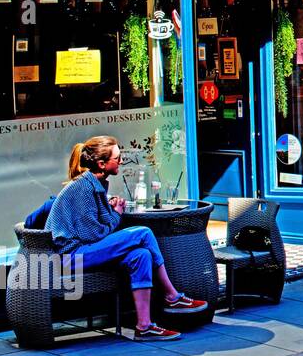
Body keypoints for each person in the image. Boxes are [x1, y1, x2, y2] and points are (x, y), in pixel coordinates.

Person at [46, 136, 208, 340]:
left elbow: (97, 225)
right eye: (117, 157)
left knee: (141, 255)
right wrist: (117, 213)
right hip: (71, 256)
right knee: (143, 233)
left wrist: (110, 206)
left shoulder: (94, 184)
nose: (121, 161)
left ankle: (144, 326)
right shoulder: (82, 188)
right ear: (102, 163)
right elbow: (95, 234)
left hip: (82, 250)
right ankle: (172, 296)